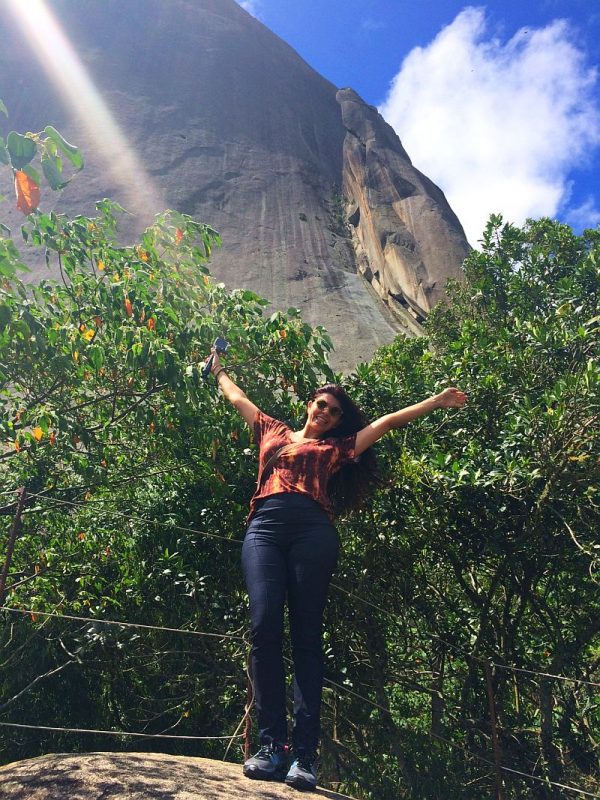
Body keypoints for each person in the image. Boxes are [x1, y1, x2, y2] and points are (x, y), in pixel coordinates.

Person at [207, 347, 467, 790]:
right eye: (322, 404)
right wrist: (217, 371)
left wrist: (435, 402)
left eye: (335, 411)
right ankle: (271, 746)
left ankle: (304, 756)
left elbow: (384, 423)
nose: (326, 412)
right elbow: (236, 397)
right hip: (264, 528)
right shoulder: (271, 429)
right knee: (264, 626)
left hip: (312, 530)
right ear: (309, 404)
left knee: (306, 637)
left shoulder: (336, 448)